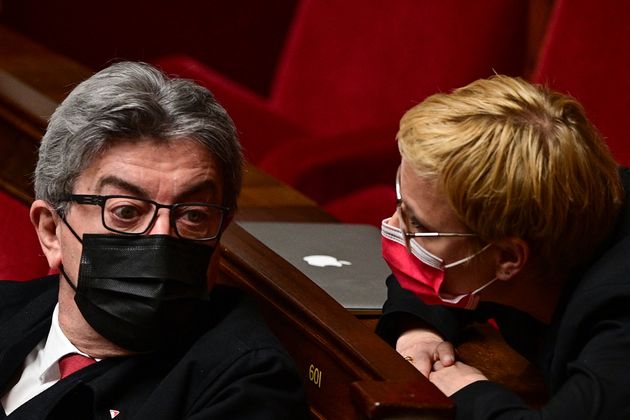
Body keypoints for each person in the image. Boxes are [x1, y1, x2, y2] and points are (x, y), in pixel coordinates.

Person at [0, 61, 307, 419]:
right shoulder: (7, 309)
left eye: (192, 215)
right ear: (51, 231)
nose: (162, 237)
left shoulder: (246, 387)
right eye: (126, 212)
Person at [376, 75, 630, 419]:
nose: (392, 228)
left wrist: (467, 391)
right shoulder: (552, 205)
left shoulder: (619, 314)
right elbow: (443, 270)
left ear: (509, 258)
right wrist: (418, 333)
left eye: (417, 226)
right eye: (400, 204)